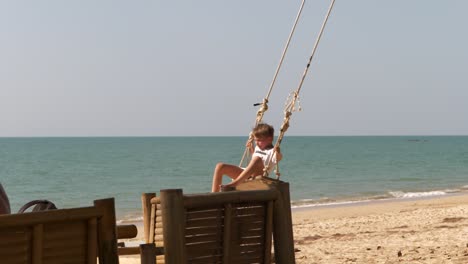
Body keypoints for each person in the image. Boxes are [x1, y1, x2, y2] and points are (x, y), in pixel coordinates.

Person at [211, 123, 282, 192]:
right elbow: (255, 159)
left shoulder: (272, 152)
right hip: (245, 176)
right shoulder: (258, 147)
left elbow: (278, 158)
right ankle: (214, 195)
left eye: (259, 140)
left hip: (258, 179)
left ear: (270, 139)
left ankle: (234, 184)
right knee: (220, 166)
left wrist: (278, 152)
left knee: (257, 159)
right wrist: (252, 149)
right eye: (255, 140)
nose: (256, 143)